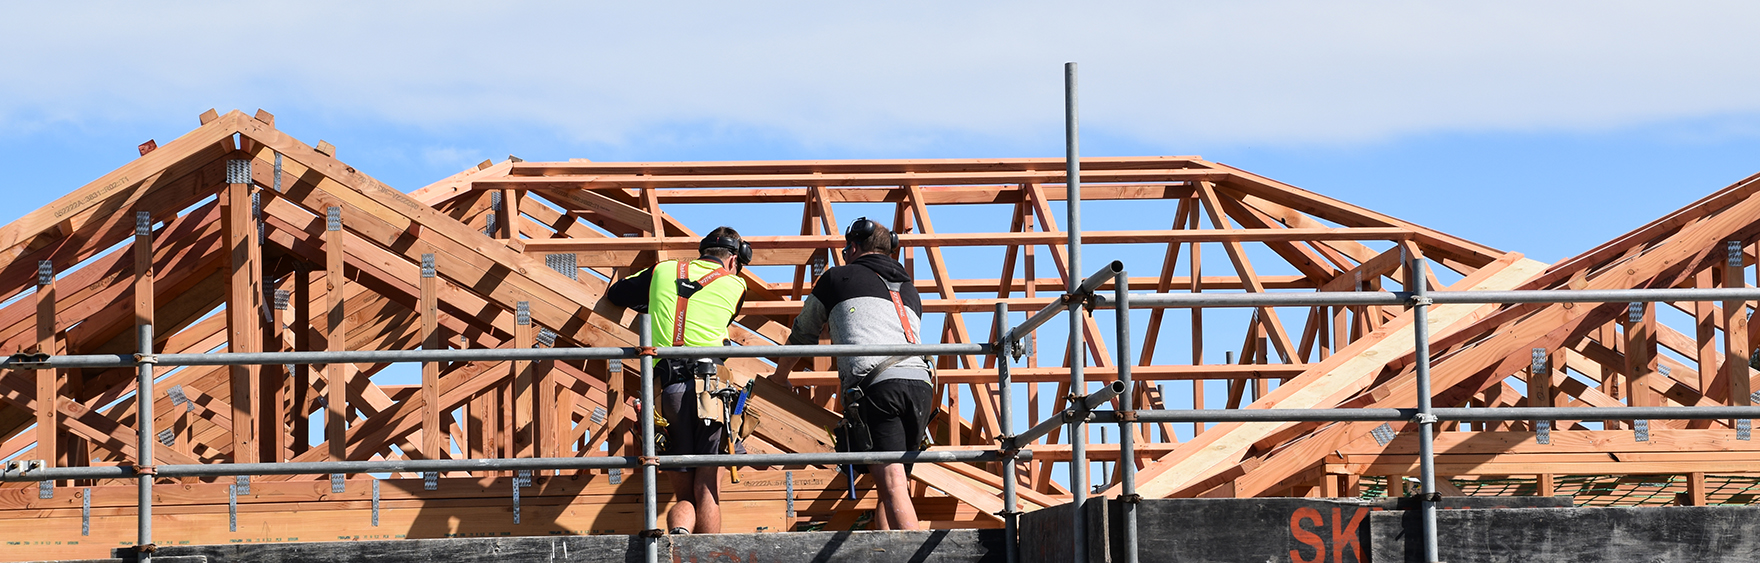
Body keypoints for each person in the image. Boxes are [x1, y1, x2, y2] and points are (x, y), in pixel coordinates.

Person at [773, 217, 932, 531]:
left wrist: (780, 376)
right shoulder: (910, 289)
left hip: (878, 386)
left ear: (854, 247)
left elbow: (804, 332)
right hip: (921, 386)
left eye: (847, 248)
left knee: (893, 486)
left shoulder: (837, 278)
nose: (844, 254)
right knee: (892, 486)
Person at [608, 227, 751, 535]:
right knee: (708, 489)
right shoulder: (736, 285)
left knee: (683, 494)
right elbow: (717, 318)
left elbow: (617, 294)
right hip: (711, 391)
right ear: (733, 260)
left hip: (667, 391)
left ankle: (678, 541)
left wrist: (653, 304)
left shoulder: (663, 269)